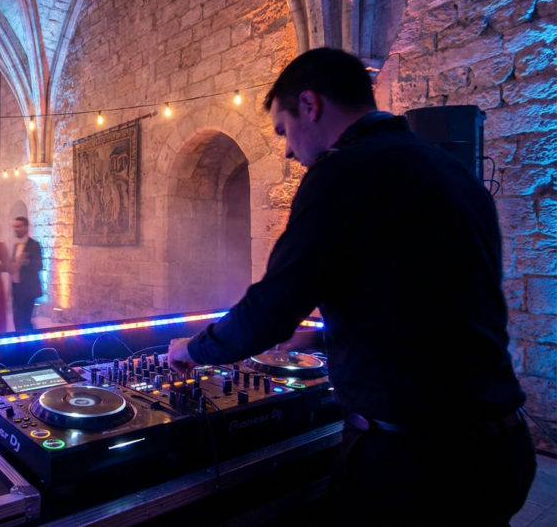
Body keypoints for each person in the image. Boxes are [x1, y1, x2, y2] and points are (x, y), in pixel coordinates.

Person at [166, 48, 535, 525]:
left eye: (283, 130)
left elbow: (272, 308)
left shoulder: (342, 172)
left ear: (311, 105)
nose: (288, 150)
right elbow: (428, 297)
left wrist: (192, 350)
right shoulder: (453, 171)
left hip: (414, 465)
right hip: (502, 447)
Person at [10, 216, 43, 331]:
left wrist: (26, 262)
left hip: (28, 290)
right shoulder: (15, 246)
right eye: (15, 227)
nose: (16, 229)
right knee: (16, 319)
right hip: (16, 288)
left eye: (18, 227)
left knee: (24, 320)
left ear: (26, 228)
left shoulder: (35, 245)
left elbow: (40, 265)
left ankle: (26, 345)